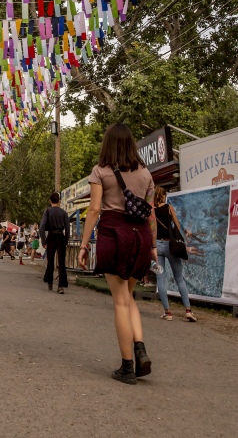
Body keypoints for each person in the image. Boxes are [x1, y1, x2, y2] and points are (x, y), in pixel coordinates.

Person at [78, 124, 156, 385]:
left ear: (107, 144)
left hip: (114, 233)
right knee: (129, 296)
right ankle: (140, 348)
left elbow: (94, 209)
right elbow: (151, 214)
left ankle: (127, 367)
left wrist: (84, 244)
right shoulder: (146, 173)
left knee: (120, 301)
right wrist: (153, 247)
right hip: (141, 237)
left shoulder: (101, 171)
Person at [154, 187, 197, 322]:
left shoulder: (151, 210)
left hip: (156, 246)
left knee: (160, 279)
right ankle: (188, 310)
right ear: (163, 196)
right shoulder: (168, 207)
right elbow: (177, 226)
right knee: (179, 278)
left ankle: (167, 312)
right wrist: (184, 235)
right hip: (170, 246)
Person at [39, 192, 70, 294]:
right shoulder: (64, 213)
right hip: (60, 236)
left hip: (51, 236)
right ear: (59, 201)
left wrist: (43, 240)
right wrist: (65, 240)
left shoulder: (47, 211)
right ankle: (61, 285)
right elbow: (67, 228)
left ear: (50, 201)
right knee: (61, 262)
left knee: (50, 260)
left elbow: (42, 227)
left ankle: (49, 282)